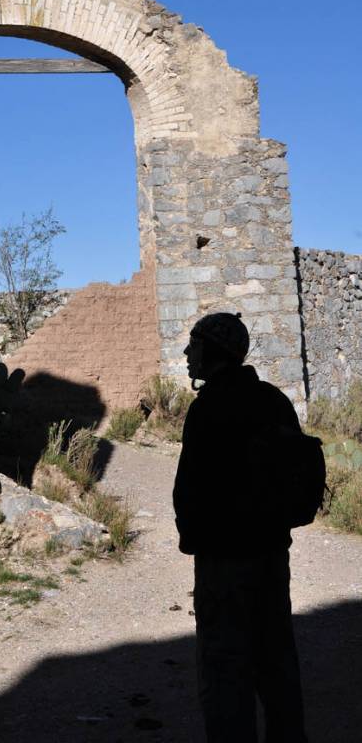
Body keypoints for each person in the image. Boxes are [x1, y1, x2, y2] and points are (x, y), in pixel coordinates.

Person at [173, 312, 308, 743]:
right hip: (271, 555)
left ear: (213, 352)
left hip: (223, 561)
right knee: (276, 660)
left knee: (225, 671)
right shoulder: (273, 400)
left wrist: (192, 539)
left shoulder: (208, 408)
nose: (187, 353)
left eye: (194, 345)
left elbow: (190, 488)